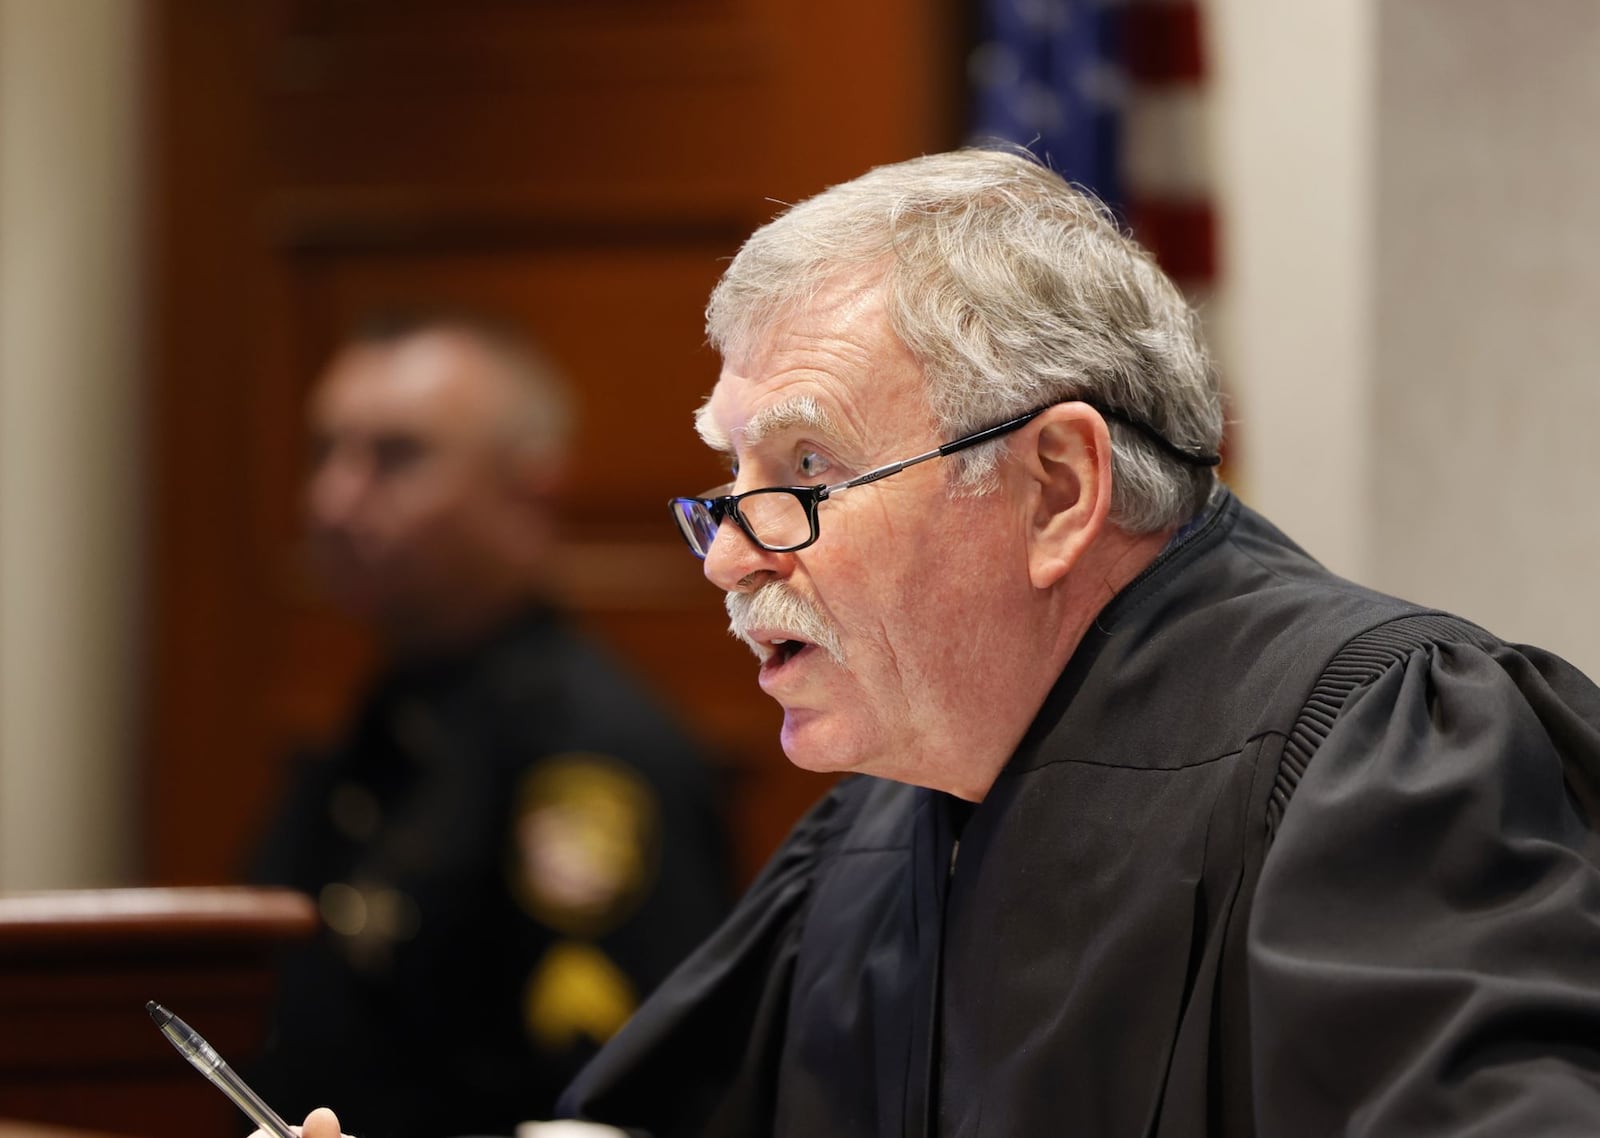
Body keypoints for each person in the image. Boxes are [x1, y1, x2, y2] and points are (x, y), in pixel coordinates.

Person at [294, 149, 1600, 1138]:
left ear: (1056, 490)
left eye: (805, 469)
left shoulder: (1384, 749)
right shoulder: (877, 825)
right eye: (731, 482)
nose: (734, 551)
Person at [246, 310, 734, 1138]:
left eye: (394, 457)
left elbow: (620, 1109)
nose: (333, 499)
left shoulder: (590, 752)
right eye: (325, 451)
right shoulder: (384, 717)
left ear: (530, 488)